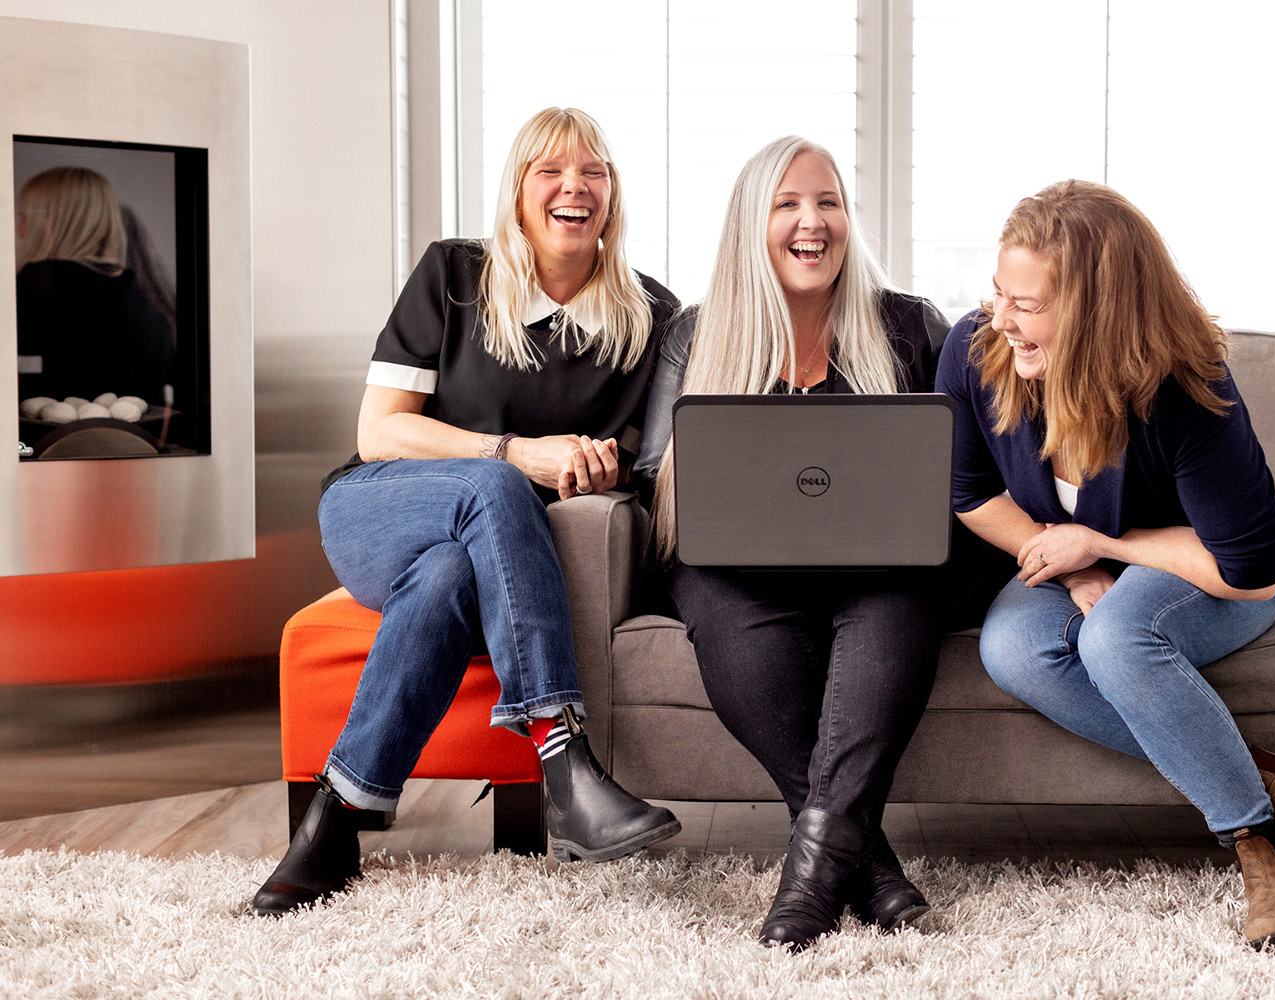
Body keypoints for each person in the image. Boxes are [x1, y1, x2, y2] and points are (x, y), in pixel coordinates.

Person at [251, 108, 682, 916]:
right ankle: (563, 757)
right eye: (549, 170)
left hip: (475, 555)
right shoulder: (453, 274)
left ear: (613, 196)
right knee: (492, 482)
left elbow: (644, 462)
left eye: (594, 171)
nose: (573, 187)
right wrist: (518, 453)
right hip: (377, 509)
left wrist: (601, 465)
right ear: (518, 193)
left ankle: (335, 818)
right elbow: (378, 432)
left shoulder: (650, 317)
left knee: (451, 573)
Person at [937, 179, 1275, 949]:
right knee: (1011, 650)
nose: (1002, 319)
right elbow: (971, 494)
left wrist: (1101, 548)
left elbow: (1247, 567)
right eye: (999, 294)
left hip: (1208, 572)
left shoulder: (1185, 386)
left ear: (1094, 309)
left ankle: (1261, 855)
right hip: (1079, 561)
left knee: (1117, 638)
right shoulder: (976, 350)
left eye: (1027, 304)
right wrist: (1074, 569)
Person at [635, 136, 972, 951]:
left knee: (900, 604)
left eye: (828, 203)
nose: (811, 222)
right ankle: (871, 866)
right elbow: (655, 471)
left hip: (882, 567)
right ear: (753, 223)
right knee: (723, 613)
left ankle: (812, 884)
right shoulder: (696, 333)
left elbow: (952, 462)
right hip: (736, 570)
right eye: (787, 204)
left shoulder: (907, 325)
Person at [14, 166, 173, 406]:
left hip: (54, 439)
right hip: (132, 437)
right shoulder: (139, 290)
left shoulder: (38, 282)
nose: (18, 228)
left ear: (49, 223)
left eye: (24, 215)